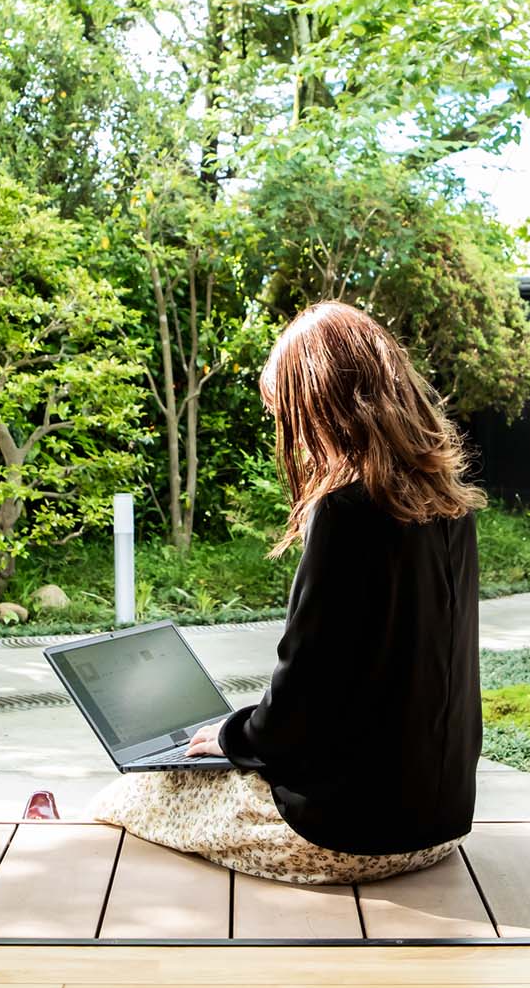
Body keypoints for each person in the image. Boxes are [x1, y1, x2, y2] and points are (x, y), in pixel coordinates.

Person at [87, 300, 483, 885]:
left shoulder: (346, 512)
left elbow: (304, 701)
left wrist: (229, 734)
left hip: (352, 834)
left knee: (131, 795)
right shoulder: (450, 507)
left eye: (290, 413)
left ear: (325, 404)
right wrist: (246, 732)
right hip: (441, 823)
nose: (294, 435)